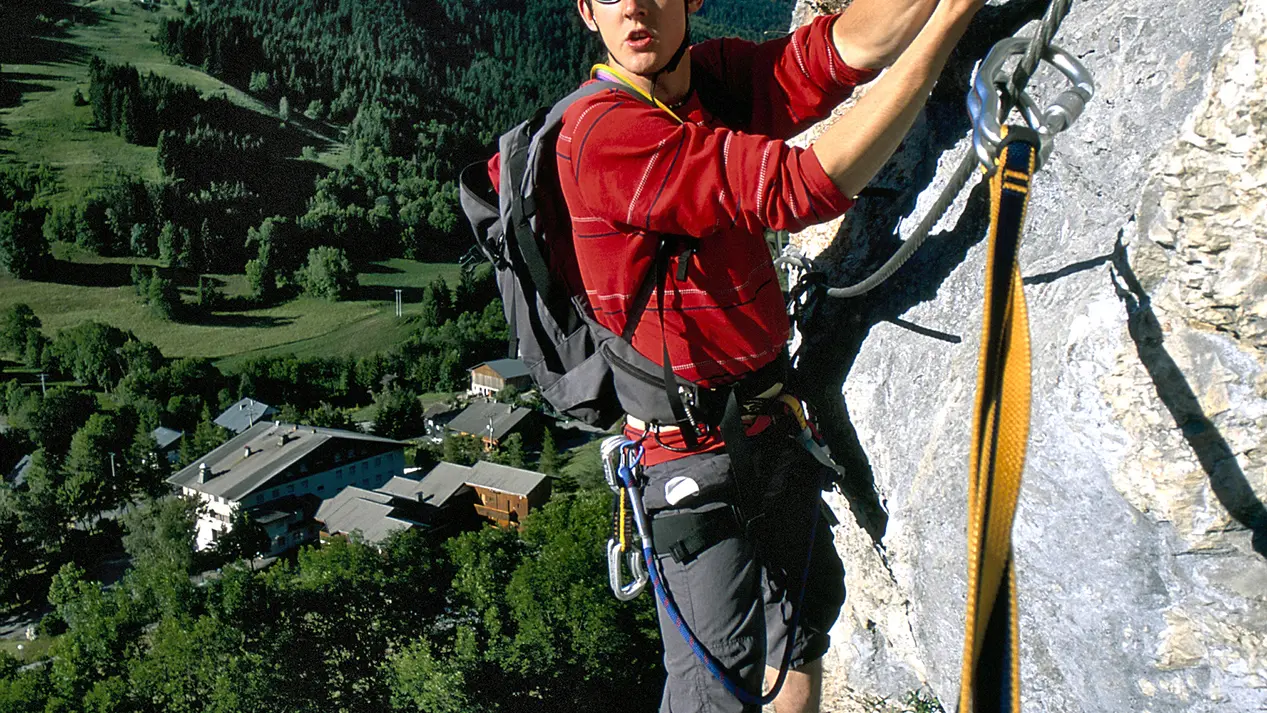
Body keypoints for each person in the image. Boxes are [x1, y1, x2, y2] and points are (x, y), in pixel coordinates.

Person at [489, 0, 986, 710]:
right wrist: (947, 25)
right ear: (585, 12)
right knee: (712, 689)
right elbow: (800, 187)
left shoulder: (710, 83)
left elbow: (831, 55)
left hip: (767, 420)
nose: (633, 5)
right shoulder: (602, 134)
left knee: (801, 630)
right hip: (688, 457)